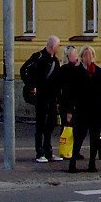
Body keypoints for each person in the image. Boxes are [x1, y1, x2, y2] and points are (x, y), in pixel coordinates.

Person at [61, 46, 101, 173]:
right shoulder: (77, 72)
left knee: (95, 139)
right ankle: (73, 163)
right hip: (81, 111)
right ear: (82, 57)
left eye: (90, 55)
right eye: (86, 55)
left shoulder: (98, 71)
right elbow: (71, 93)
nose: (88, 58)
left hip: (95, 111)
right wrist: (69, 110)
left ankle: (92, 163)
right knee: (78, 138)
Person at [20, 35, 62, 163]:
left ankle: (48, 151)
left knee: (50, 124)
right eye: (58, 45)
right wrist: (31, 85)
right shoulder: (38, 57)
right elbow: (24, 69)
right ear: (52, 46)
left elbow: (57, 82)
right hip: (40, 96)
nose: (59, 48)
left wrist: (58, 99)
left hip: (51, 97)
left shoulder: (55, 61)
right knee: (41, 124)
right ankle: (40, 152)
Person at [58, 46, 83, 161]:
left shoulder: (79, 68)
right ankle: (67, 151)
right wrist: (68, 109)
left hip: (78, 104)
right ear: (68, 56)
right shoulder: (65, 70)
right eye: (74, 55)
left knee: (77, 129)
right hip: (67, 104)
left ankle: (75, 150)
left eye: (76, 54)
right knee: (68, 128)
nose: (76, 57)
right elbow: (66, 91)